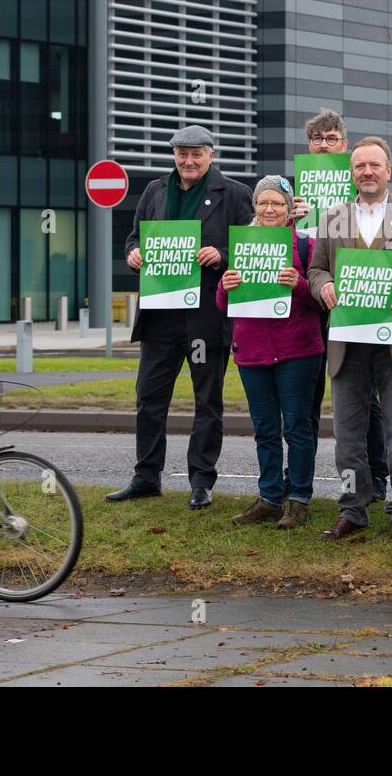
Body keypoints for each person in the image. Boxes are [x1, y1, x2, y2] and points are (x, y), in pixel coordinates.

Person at [307, 136, 392, 544]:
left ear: (388, 171)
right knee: (347, 435)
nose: (367, 172)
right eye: (359, 166)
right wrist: (324, 285)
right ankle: (353, 508)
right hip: (349, 341)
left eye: (374, 166)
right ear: (352, 173)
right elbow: (315, 270)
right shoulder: (333, 217)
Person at [108, 126, 254, 509]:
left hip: (205, 316)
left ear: (211, 154)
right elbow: (133, 238)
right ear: (174, 156)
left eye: (196, 154)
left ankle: (201, 481)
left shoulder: (236, 194)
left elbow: (255, 248)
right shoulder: (156, 191)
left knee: (207, 401)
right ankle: (146, 476)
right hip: (160, 315)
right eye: (181, 154)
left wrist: (221, 254)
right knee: (149, 398)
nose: (188, 161)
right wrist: (133, 253)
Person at [291, 109, 389, 502]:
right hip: (311, 304)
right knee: (309, 398)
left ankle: (377, 476)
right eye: (318, 139)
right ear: (309, 145)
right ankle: (301, 483)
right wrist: (288, 219)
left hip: (357, 304)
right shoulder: (292, 192)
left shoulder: (361, 192)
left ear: (344, 145)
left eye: (332, 139)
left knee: (367, 400)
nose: (324, 145)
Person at [217, 176, 323, 529]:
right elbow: (225, 303)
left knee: (297, 426)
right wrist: (224, 285)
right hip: (252, 351)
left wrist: (300, 284)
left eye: (277, 203)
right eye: (263, 202)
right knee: (264, 429)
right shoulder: (244, 243)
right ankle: (269, 497)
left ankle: (299, 500)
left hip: (298, 350)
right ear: (255, 207)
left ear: (290, 208)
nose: (269, 209)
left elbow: (323, 299)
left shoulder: (307, 245)